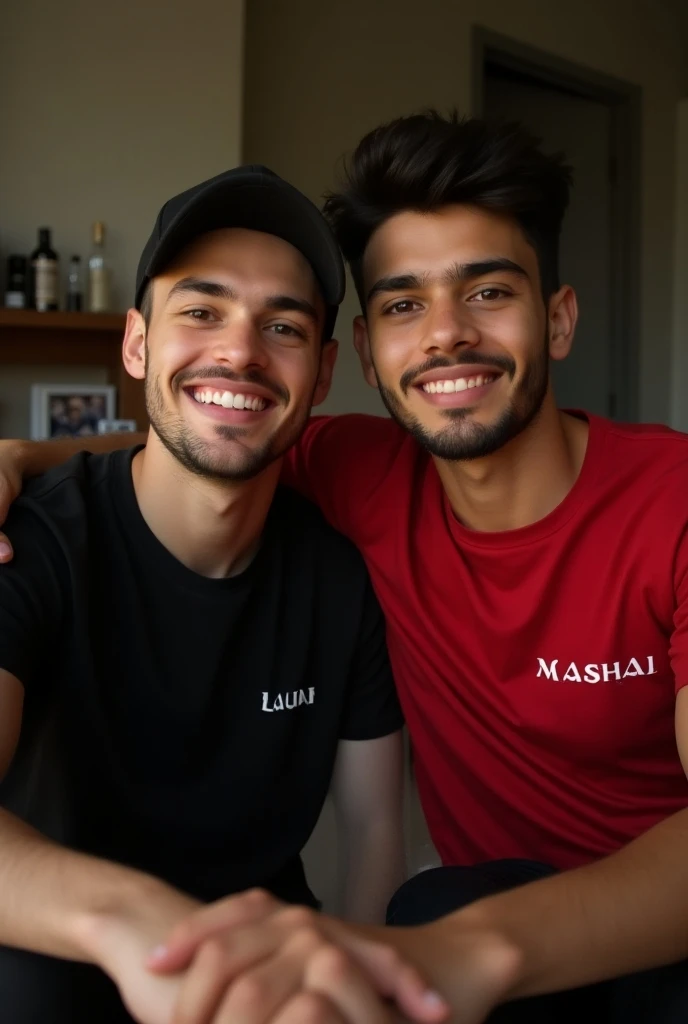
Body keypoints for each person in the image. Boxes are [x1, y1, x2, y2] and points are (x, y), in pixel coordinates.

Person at [1, 110, 688, 1023]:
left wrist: (455, 955)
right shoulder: (361, 477)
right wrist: (21, 456)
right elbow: (212, 431)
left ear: (558, 320)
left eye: (487, 291)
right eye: (403, 304)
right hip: (488, 928)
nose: (445, 335)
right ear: (364, 353)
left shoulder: (672, 503)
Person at [0, 165, 415, 1024]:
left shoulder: (338, 578)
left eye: (283, 326)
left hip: (262, 986)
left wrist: (360, 979)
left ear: (325, 369)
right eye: (201, 311)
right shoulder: (29, 540)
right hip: (57, 954)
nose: (239, 351)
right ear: (136, 344)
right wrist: (152, 931)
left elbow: (376, 828)